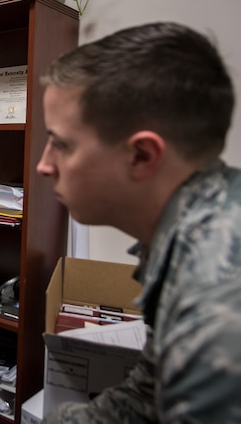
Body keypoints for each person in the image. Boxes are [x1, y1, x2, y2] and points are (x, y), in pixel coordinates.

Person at [36, 22, 241, 423]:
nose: (44, 165)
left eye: (61, 144)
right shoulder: (194, 227)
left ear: (143, 156)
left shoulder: (212, 296)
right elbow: (147, 398)